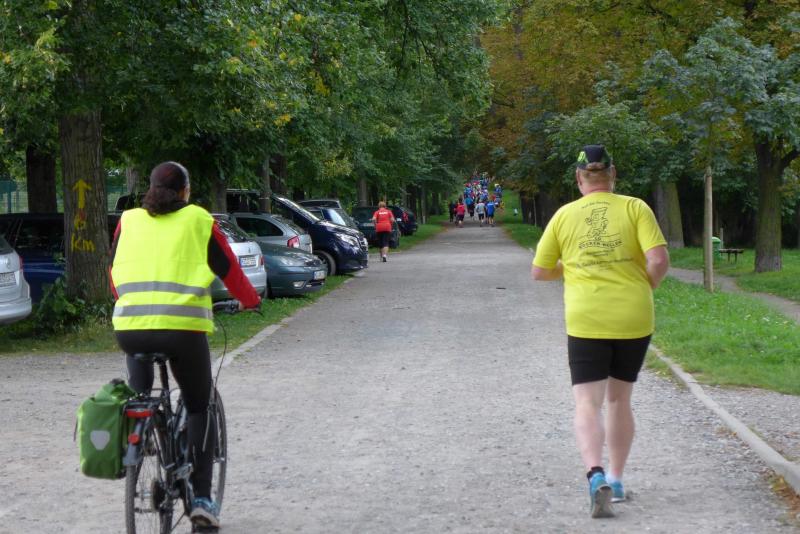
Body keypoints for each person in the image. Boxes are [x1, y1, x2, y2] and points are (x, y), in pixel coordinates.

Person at [110, 161, 261, 529]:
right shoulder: (198, 220)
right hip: (183, 330)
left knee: (141, 394)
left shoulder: (128, 220)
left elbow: (114, 272)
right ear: (185, 191)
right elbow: (227, 267)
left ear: (150, 189)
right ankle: (203, 500)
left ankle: (142, 423)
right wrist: (250, 300)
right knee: (198, 405)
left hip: (130, 328)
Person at [531, 145, 669, 519]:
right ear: (613, 175)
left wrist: (570, 266)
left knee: (587, 402)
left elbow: (539, 271)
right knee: (619, 400)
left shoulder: (564, 215)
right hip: (633, 316)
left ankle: (595, 475)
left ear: (579, 178)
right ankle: (617, 479)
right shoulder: (635, 208)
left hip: (587, 318)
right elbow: (658, 259)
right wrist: (646, 286)